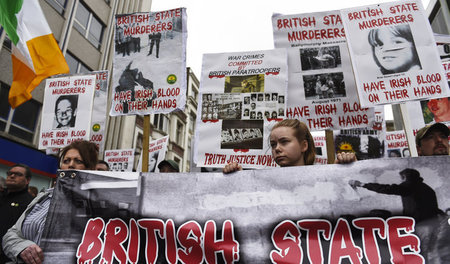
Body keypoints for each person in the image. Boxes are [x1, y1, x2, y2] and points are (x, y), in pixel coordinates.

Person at [2, 141, 98, 264]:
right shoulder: (44, 197)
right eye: (66, 161)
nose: (70, 165)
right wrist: (22, 248)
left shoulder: (94, 205)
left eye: (78, 161)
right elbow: (11, 235)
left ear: (90, 168)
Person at [223, 119, 355, 173]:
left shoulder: (326, 176)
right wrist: (237, 179)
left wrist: (348, 168)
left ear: (304, 146)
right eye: (273, 144)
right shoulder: (265, 183)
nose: (277, 149)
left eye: (284, 141)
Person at [349, 168, 443, 222]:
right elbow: (433, 208)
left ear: (404, 177)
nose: (400, 181)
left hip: (418, 222)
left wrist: (362, 184)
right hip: (432, 222)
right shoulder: (428, 189)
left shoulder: (409, 186)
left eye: (401, 178)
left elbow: (387, 189)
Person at [0, 164, 34, 263]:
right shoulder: (2, 197)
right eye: (10, 173)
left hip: (8, 257)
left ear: (27, 180)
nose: (12, 176)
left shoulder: (31, 203)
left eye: (18, 174)